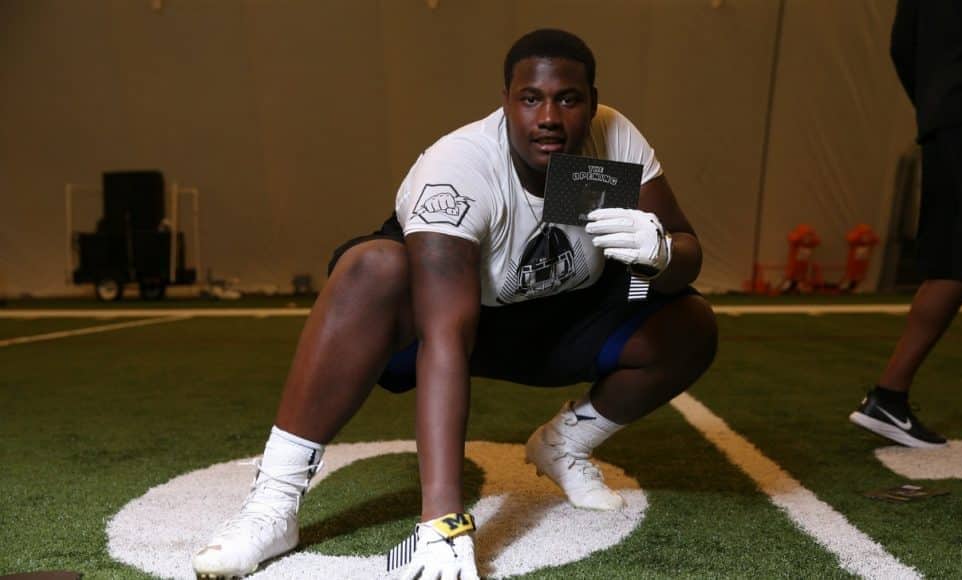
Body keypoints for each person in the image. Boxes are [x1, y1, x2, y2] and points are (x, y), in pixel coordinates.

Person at [192, 28, 717, 579]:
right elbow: (446, 338)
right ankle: (273, 504)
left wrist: (658, 254)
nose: (549, 117)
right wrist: (443, 521)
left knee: (690, 323)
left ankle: (564, 444)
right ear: (506, 101)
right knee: (373, 268)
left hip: (554, 316)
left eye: (568, 99)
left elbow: (686, 251)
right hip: (438, 326)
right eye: (530, 98)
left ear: (591, 101)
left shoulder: (611, 139)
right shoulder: (460, 168)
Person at [849, 0, 962, 471]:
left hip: (947, 119)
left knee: (955, 260)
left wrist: (939, 102)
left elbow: (902, 45)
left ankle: (888, 396)